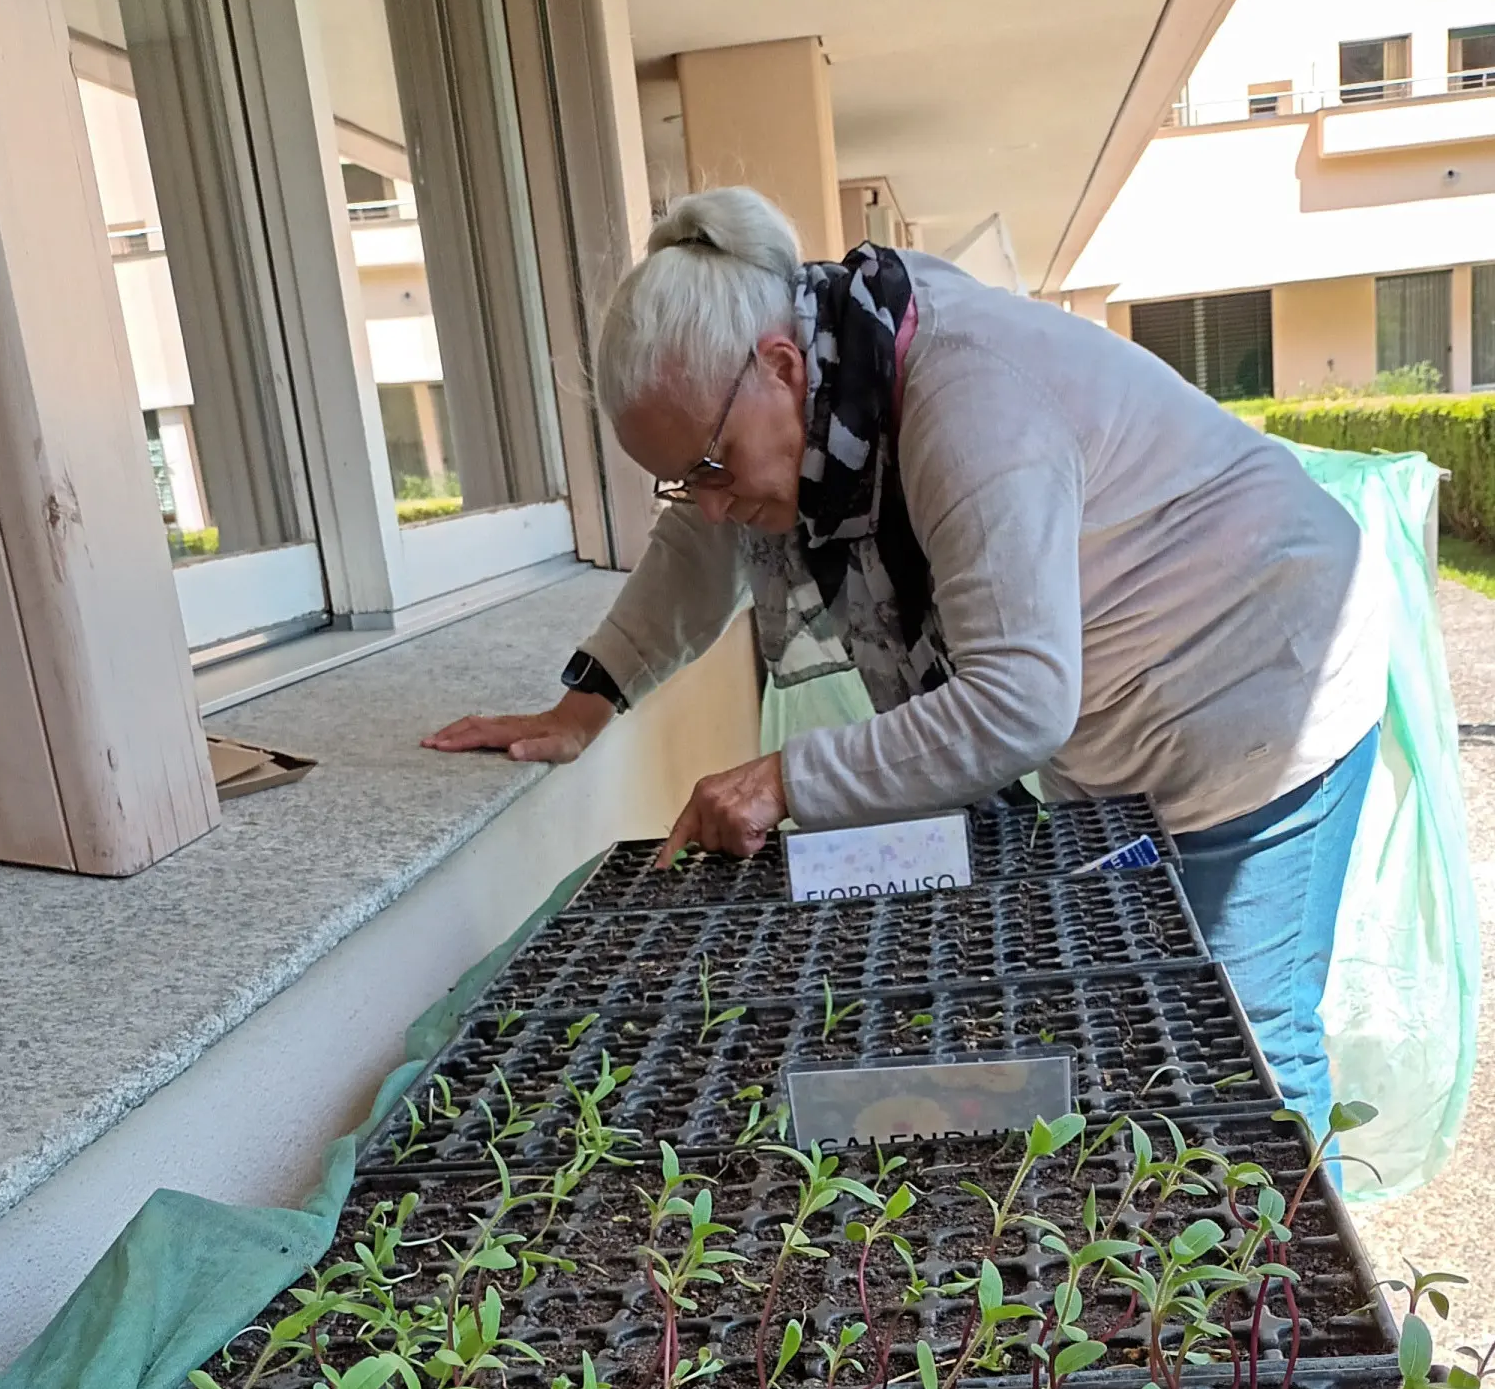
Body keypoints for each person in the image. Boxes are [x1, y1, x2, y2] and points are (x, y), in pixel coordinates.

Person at [422, 189, 1386, 1137]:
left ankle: (1293, 1289)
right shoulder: (833, 373)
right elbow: (700, 542)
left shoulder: (967, 403)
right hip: (1118, 713)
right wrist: (584, 704)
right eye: (683, 480)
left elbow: (1014, 706)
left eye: (710, 468)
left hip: (1259, 676)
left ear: (780, 364)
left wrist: (783, 779)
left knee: (1241, 1045)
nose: (709, 502)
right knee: (1147, 1026)